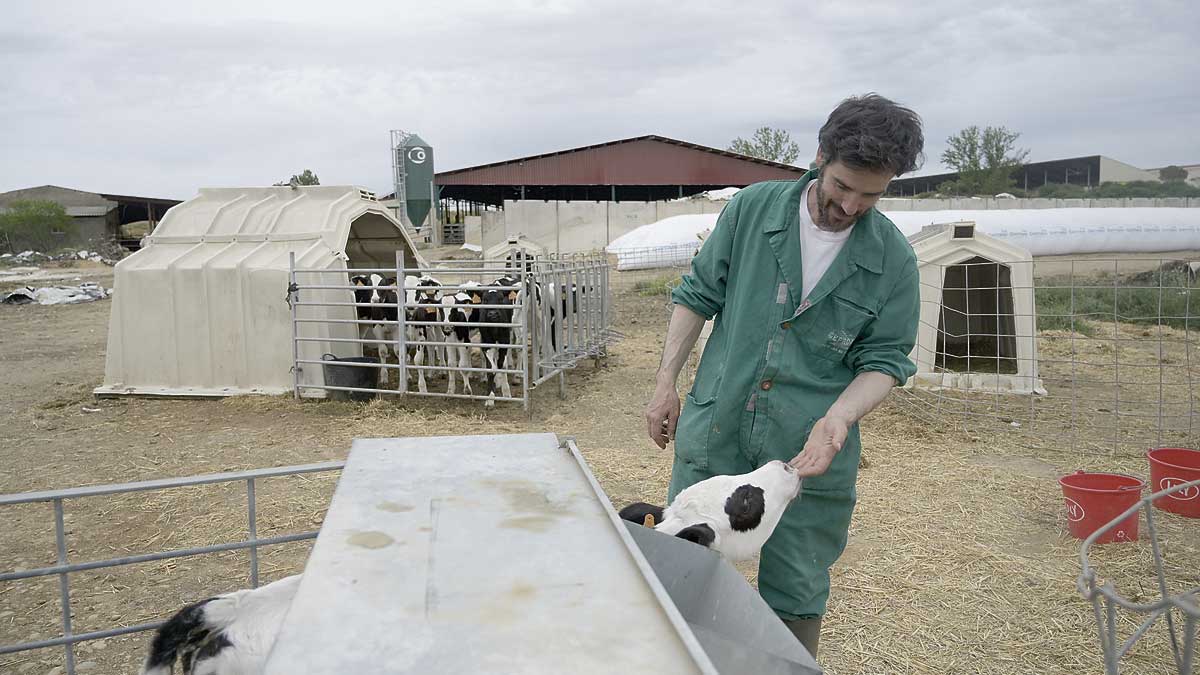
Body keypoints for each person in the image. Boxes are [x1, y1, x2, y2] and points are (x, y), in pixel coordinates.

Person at [644, 93, 925, 659]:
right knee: (683, 562)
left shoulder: (893, 259)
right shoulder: (751, 211)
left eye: (871, 194)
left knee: (795, 594)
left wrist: (839, 418)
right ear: (821, 155)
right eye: (843, 185)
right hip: (716, 428)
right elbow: (698, 294)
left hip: (807, 453)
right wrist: (665, 379)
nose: (851, 205)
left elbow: (887, 360)